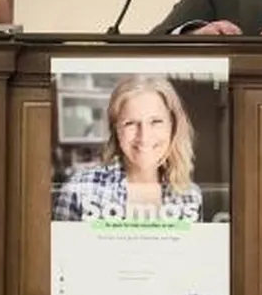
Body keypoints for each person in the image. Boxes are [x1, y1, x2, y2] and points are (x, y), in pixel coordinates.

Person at [52, 74, 202, 223]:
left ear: (172, 126)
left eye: (156, 121)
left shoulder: (190, 196)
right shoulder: (79, 190)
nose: (144, 136)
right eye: (130, 123)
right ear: (116, 129)